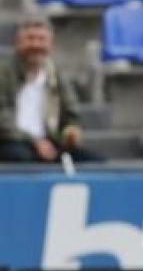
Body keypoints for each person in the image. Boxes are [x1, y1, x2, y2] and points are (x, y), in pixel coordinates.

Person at [0, 15, 101, 163]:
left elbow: (71, 115)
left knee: (94, 162)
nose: (35, 45)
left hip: (48, 141)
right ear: (17, 43)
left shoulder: (56, 75)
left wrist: (71, 131)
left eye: (41, 39)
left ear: (51, 45)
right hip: (10, 142)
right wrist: (34, 141)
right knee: (21, 157)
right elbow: (3, 120)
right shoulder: (4, 73)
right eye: (30, 38)